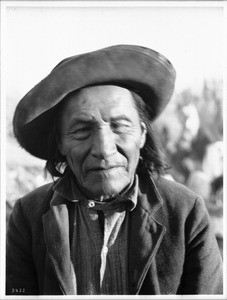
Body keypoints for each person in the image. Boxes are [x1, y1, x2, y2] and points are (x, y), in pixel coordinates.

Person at [6, 45, 223, 295]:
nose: (104, 148)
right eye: (82, 130)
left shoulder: (186, 213)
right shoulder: (28, 216)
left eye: (119, 126)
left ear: (142, 134)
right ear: (60, 143)